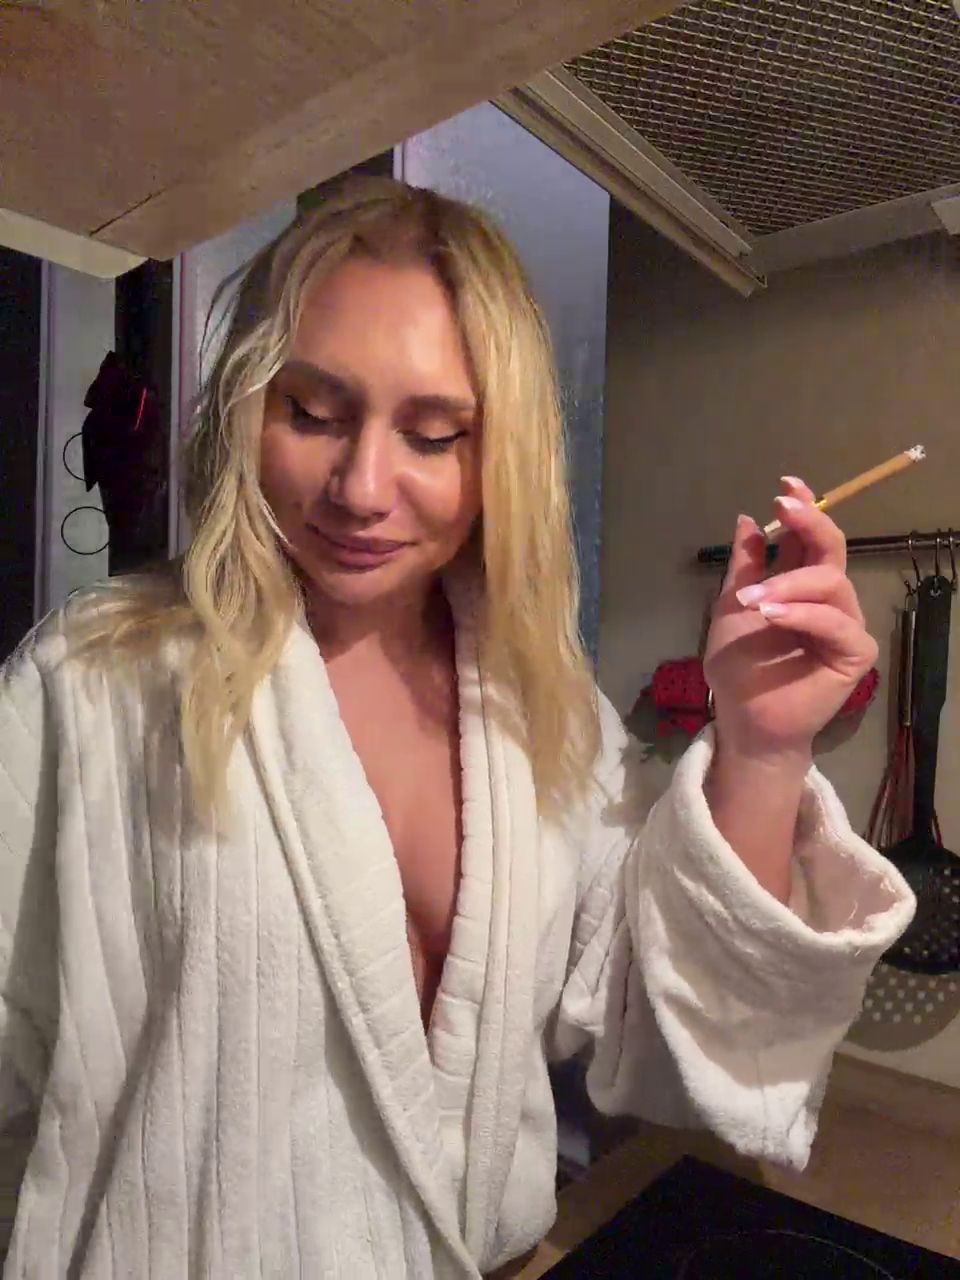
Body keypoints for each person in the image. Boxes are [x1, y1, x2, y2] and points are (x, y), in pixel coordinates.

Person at [0, 179, 913, 1279]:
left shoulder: (542, 707)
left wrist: (762, 746)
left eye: (434, 435)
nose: (361, 486)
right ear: (249, 409)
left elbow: (668, 1027)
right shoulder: (97, 682)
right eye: (313, 413)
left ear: (500, 458)